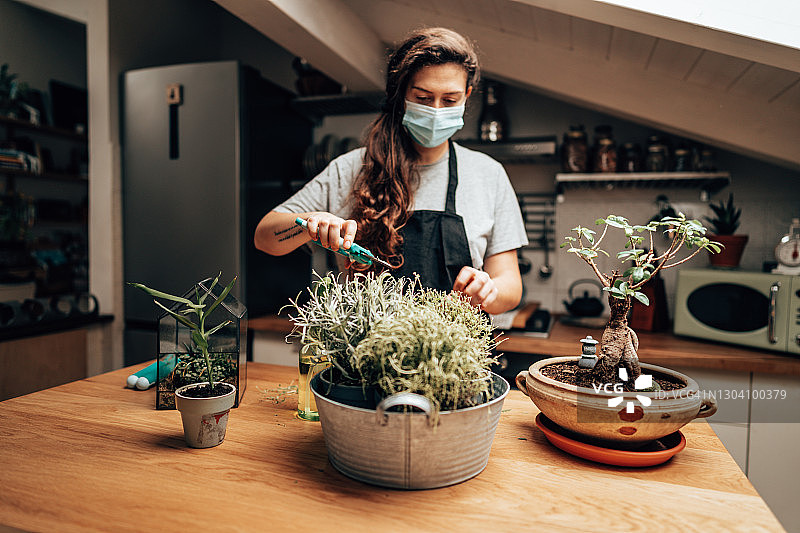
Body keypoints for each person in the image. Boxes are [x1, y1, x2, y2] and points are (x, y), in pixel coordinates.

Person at [254, 27, 528, 316]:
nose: (436, 110)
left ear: (466, 96)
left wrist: (489, 289)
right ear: (401, 97)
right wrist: (307, 223)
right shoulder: (350, 169)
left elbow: (510, 286)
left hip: (452, 357)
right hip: (365, 353)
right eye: (423, 97)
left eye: (449, 100)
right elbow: (264, 238)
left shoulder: (488, 174)